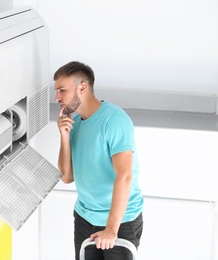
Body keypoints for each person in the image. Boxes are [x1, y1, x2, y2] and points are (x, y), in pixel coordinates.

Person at [54, 61, 144, 260]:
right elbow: (67, 177)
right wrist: (64, 136)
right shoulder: (74, 123)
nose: (57, 97)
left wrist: (112, 229)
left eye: (62, 90)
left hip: (119, 220)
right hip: (85, 217)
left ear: (82, 87)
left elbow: (125, 175)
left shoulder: (114, 120)